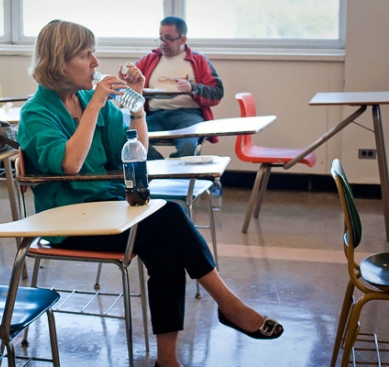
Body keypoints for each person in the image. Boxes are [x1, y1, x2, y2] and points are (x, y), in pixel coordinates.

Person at [18, 19, 283, 367]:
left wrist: (138, 106)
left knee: (165, 247)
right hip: (70, 222)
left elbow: (136, 150)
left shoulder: (86, 98)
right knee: (170, 215)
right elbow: (70, 164)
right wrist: (96, 106)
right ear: (59, 61)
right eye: (86, 55)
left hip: (109, 209)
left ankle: (168, 360)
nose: (96, 63)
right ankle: (228, 305)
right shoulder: (36, 112)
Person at [135, 16, 224, 160]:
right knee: (132, 140)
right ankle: (161, 170)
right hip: (155, 115)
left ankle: (177, 177)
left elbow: (217, 92)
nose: (162, 43)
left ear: (183, 39)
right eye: (160, 37)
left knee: (189, 146)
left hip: (187, 115)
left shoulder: (199, 60)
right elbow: (129, 86)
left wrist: (192, 88)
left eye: (168, 38)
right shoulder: (149, 60)